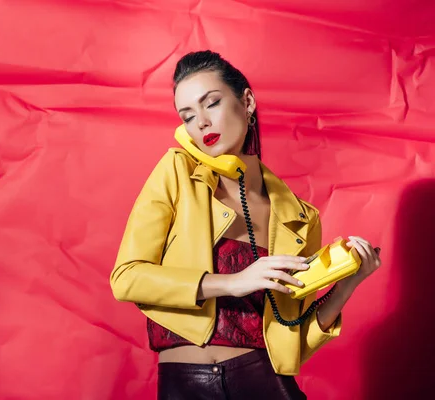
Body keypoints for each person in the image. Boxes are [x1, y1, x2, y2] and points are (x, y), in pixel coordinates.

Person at [109, 50, 382, 399]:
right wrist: (234, 282)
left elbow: (291, 341)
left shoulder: (299, 217)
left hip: (265, 383)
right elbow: (126, 278)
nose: (202, 122)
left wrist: (347, 286)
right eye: (188, 116)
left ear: (247, 101)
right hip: (185, 382)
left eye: (212, 103)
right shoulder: (177, 172)